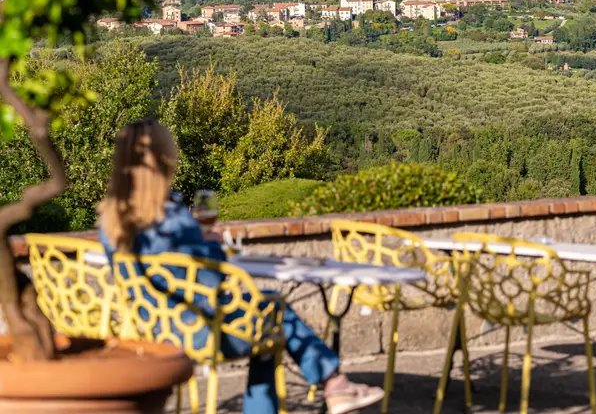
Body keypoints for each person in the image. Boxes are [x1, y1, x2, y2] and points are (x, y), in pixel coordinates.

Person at [97, 119, 383, 414]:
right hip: (200, 331)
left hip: (151, 328)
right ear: (165, 160)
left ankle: (333, 385)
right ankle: (335, 384)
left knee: (267, 317)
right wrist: (212, 243)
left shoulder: (111, 221)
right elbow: (212, 279)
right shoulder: (172, 218)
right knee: (272, 310)